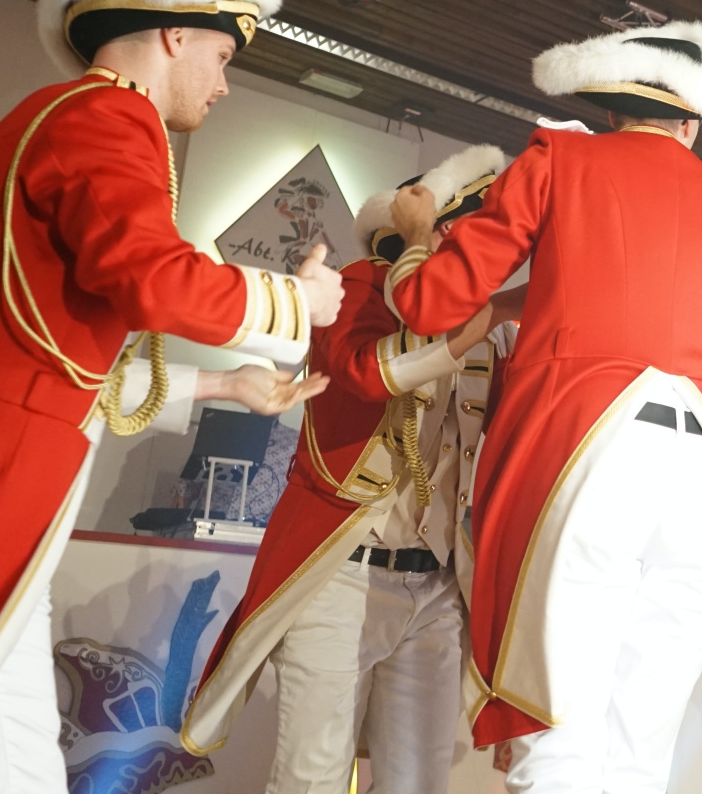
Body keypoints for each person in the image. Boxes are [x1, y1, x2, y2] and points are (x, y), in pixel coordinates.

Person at [0, 0, 343, 790]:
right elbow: (153, 281)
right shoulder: (109, 114)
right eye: (223, 58)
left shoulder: (66, 116)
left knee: (3, 753)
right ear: (174, 33)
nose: (224, 86)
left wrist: (229, 385)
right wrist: (297, 305)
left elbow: (66, 368)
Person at [381, 21, 702, 794]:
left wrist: (418, 239)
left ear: (611, 107)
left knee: (555, 725)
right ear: (692, 122)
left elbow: (430, 303)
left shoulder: (559, 159)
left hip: (591, 450)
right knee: (641, 748)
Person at [183, 146, 525, 791]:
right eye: (483, 232)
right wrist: (492, 313)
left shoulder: (489, 323)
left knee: (418, 783)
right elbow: (372, 373)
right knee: (311, 778)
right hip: (343, 577)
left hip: (438, 588)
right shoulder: (360, 284)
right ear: (443, 229)